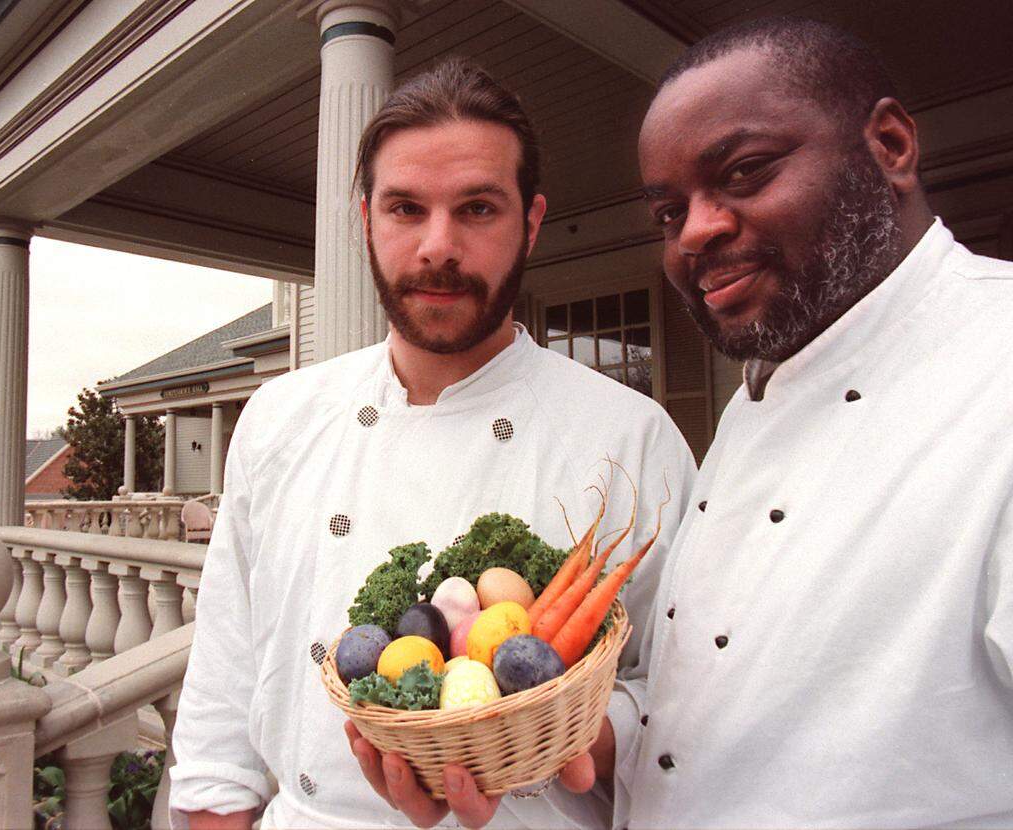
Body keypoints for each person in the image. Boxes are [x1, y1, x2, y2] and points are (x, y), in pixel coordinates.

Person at [370, 17, 1013, 830]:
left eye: (744, 173)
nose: (698, 231)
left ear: (889, 145)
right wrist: (595, 735)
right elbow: (704, 702)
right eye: (669, 213)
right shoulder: (759, 394)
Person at [168, 60, 696, 829]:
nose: (437, 246)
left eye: (477, 208)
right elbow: (223, 684)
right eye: (406, 209)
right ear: (366, 219)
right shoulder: (279, 418)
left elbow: (678, 690)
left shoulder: (629, 435)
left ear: (532, 221)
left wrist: (568, 741)